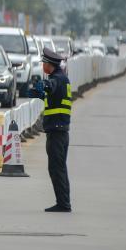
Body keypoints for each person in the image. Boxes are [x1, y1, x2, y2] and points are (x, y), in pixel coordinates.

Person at [27, 47, 72, 213]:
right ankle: (63, 202)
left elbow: (50, 85)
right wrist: (41, 95)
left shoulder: (57, 79)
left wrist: (43, 86)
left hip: (57, 131)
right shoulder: (62, 78)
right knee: (59, 167)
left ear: (50, 64)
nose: (43, 66)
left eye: (44, 63)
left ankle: (63, 204)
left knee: (56, 167)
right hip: (59, 130)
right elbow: (55, 97)